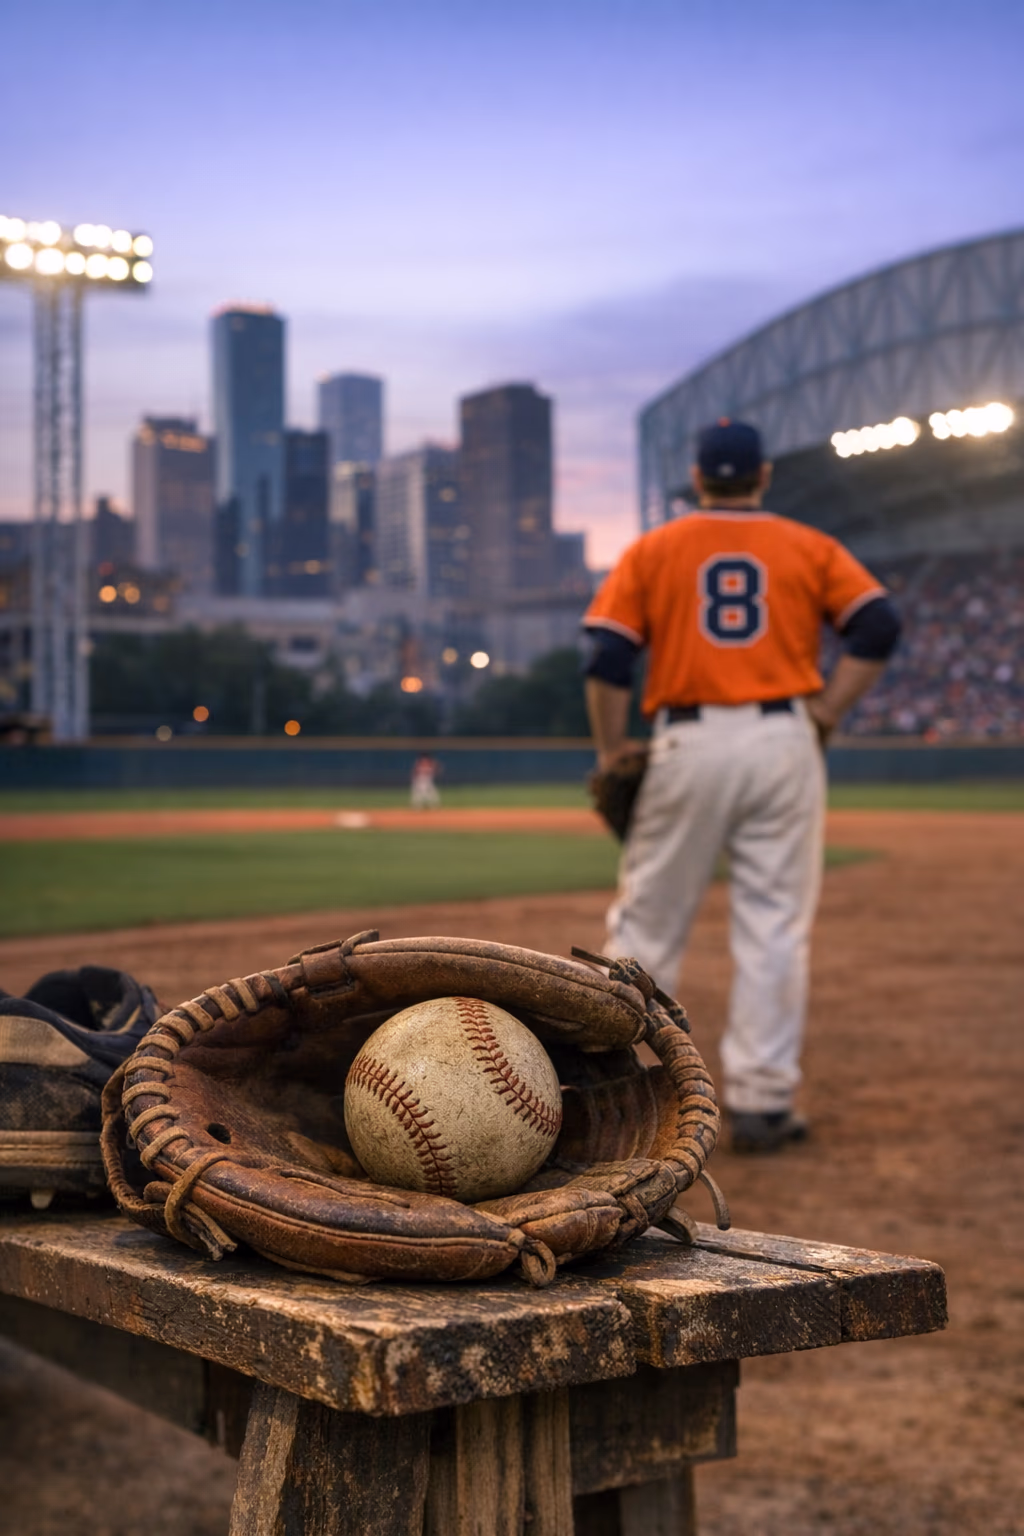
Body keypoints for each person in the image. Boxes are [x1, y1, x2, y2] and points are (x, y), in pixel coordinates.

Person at [583, 419, 901, 1152]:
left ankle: (609, 1088)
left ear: (698, 479)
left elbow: (606, 658)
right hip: (782, 737)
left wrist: (608, 753)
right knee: (775, 925)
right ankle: (762, 1102)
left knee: (648, 922)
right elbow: (878, 625)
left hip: (689, 740)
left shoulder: (656, 548)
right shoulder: (808, 546)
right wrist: (825, 710)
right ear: (763, 476)